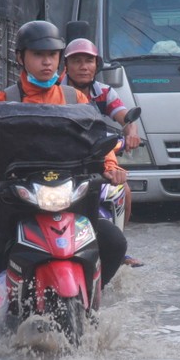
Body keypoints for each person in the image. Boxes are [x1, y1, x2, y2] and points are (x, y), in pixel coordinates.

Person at [0, 20, 128, 294]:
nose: (47, 62)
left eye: (52, 55)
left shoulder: (76, 99)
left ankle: (94, 295)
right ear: (20, 57)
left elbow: (98, 142)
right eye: (38, 55)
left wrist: (111, 167)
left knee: (115, 242)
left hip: (71, 197)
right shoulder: (3, 100)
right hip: (17, 198)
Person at [62, 37, 143, 266]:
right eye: (76, 61)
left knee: (123, 190)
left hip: (96, 156)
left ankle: (119, 248)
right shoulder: (56, 92)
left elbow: (125, 117)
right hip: (61, 159)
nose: (83, 66)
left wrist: (131, 132)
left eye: (88, 61)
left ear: (96, 65)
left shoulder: (104, 93)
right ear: (66, 66)